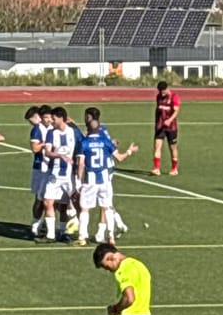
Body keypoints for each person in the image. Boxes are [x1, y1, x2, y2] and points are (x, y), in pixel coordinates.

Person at [76, 108, 138, 246]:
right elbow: (119, 158)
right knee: (107, 207)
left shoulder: (84, 143)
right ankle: (111, 236)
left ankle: (82, 237)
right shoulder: (105, 141)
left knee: (85, 208)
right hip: (105, 180)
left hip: (90, 180)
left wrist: (78, 180)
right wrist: (129, 151)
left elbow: (81, 164)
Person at [40, 106, 81, 243]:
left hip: (70, 175)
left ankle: (71, 233)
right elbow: (47, 152)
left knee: (71, 204)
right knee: (48, 201)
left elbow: (83, 145)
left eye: (54, 118)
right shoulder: (51, 133)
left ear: (62, 118)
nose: (51, 121)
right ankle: (51, 235)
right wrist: (59, 155)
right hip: (55, 175)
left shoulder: (73, 132)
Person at [24, 105, 50, 238]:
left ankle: (46, 223)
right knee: (40, 198)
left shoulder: (52, 127)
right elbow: (35, 148)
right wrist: (46, 144)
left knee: (51, 199)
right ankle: (35, 224)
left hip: (52, 167)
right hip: (40, 167)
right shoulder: (37, 130)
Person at [151, 80, 181, 176]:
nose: (162, 93)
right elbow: (158, 110)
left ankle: (174, 168)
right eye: (160, 91)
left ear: (167, 88)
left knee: (173, 148)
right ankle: (156, 169)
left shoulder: (174, 97)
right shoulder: (159, 97)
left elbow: (176, 111)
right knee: (157, 146)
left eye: (163, 91)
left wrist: (169, 120)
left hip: (171, 127)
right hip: (161, 126)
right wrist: (157, 123)